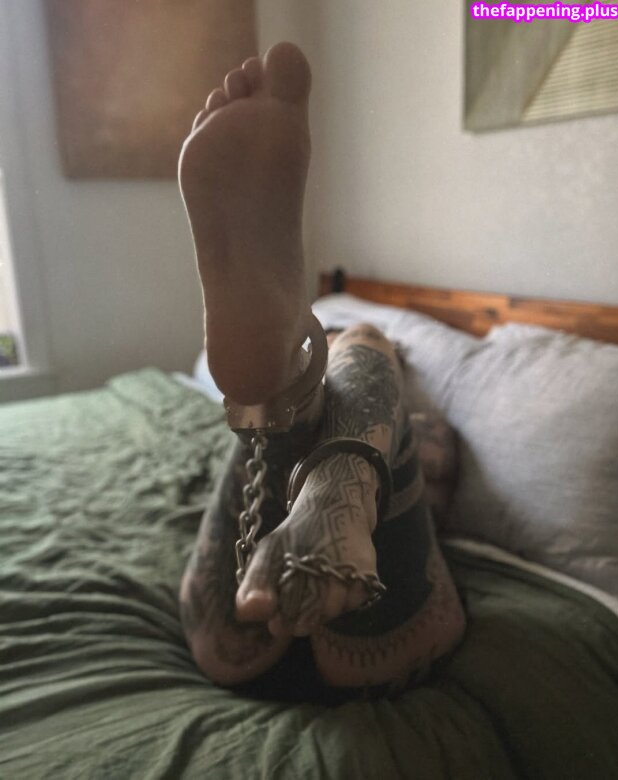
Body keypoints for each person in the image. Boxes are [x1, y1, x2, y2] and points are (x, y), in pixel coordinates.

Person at [177, 42, 465, 698]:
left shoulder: (425, 415)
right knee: (354, 351)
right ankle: (315, 432)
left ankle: (299, 391)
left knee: (354, 351)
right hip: (389, 634)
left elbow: (439, 464)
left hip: (234, 625)